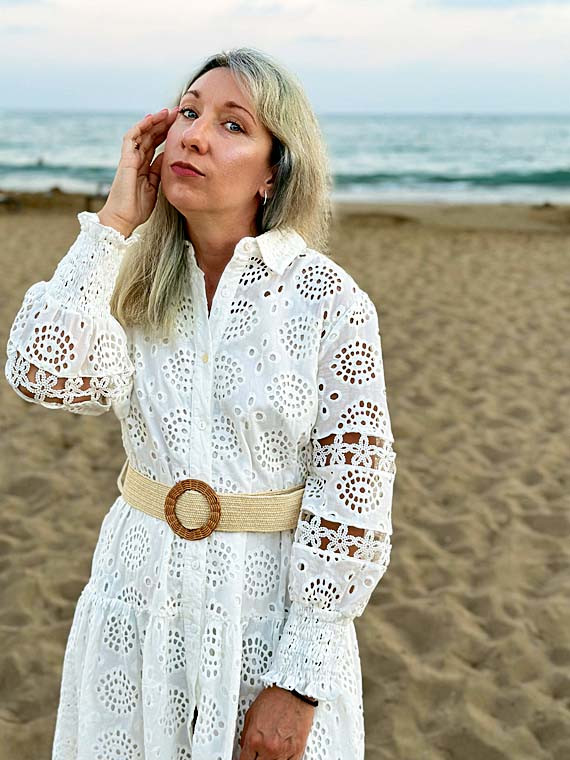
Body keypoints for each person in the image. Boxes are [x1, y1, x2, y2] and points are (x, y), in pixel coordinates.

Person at [4, 47, 397, 760]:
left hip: (265, 619)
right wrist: (115, 221)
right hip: (135, 602)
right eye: (188, 113)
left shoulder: (328, 301)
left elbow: (354, 496)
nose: (194, 136)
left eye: (232, 124)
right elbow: (41, 372)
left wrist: (300, 680)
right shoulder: (127, 282)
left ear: (274, 170)